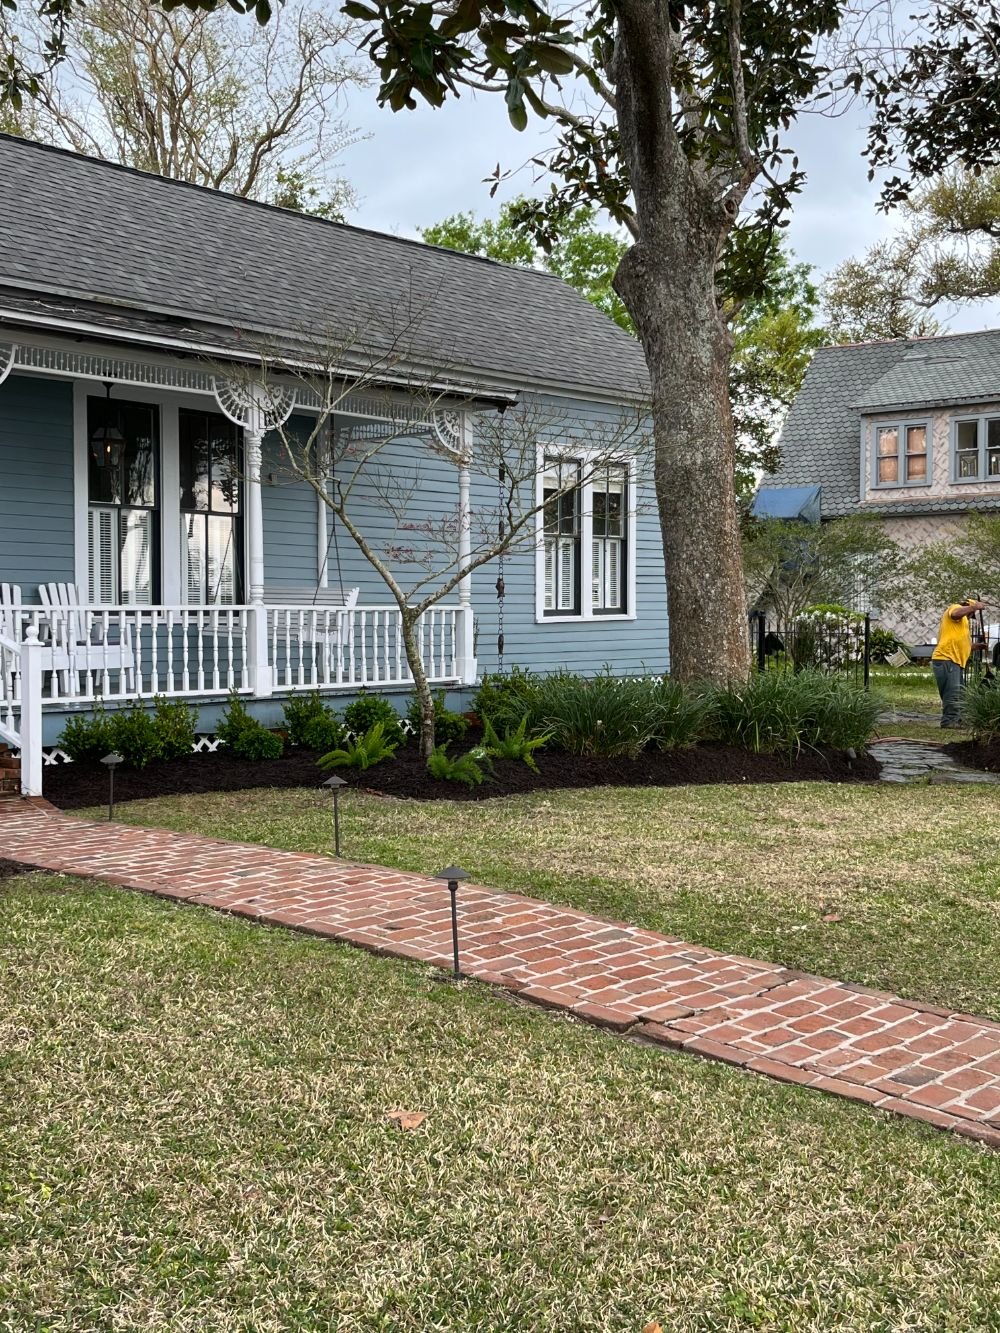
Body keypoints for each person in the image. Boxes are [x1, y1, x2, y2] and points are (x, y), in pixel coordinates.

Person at [930, 598, 987, 728]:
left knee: (959, 692)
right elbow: (955, 613)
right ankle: (949, 721)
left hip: (955, 661)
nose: (970, 616)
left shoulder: (962, 623)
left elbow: (963, 644)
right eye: (970, 613)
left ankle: (958, 719)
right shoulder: (954, 608)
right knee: (952, 692)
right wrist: (974, 607)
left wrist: (978, 646)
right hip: (947, 658)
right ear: (967, 606)